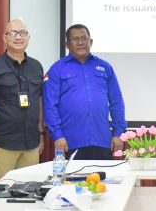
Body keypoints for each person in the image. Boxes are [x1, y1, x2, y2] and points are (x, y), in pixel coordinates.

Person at [43, 24, 126, 160]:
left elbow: (116, 102)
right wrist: (57, 135)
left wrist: (118, 133)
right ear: (67, 44)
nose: (80, 42)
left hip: (101, 140)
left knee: (101, 175)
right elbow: (50, 105)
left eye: (84, 38)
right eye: (75, 39)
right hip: (69, 141)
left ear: (91, 42)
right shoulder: (57, 69)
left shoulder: (105, 67)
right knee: (72, 175)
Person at [0, 19, 44, 182]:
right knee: (2, 191)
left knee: (30, 190)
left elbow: (39, 101)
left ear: (28, 37)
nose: (18, 37)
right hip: (3, 144)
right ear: (4, 37)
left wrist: (41, 133)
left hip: (31, 143)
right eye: (13, 33)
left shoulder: (36, 67)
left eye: (23, 33)